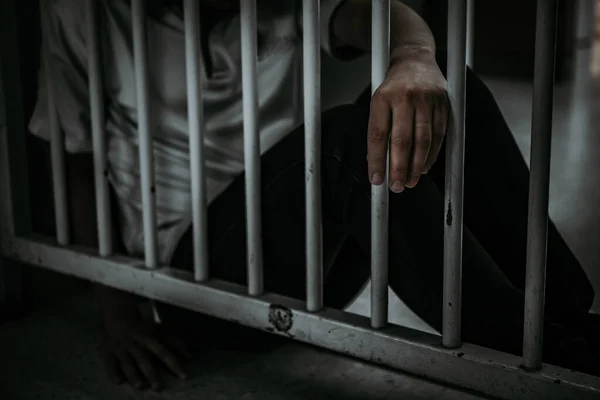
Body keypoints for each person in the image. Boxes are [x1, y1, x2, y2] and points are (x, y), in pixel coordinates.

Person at [29, 0, 600, 391]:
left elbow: (379, 16)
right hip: (193, 281)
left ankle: (569, 323)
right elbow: (78, 163)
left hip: (304, 255)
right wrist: (119, 319)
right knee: (344, 146)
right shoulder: (82, 12)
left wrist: (416, 59)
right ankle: (552, 356)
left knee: (440, 82)